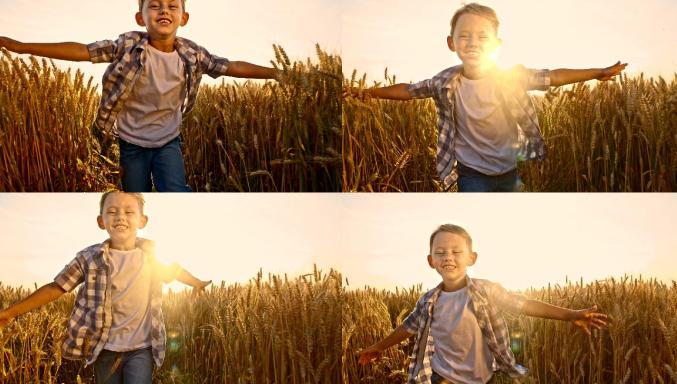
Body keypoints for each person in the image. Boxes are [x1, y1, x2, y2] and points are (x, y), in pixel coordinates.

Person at [0, 0, 279, 192]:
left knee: (176, 193)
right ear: (140, 17)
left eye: (172, 5)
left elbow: (230, 66)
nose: (163, 10)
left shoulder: (193, 54)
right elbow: (84, 51)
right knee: (135, 194)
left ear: (184, 17)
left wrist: (277, 73)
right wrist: (23, 47)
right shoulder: (128, 45)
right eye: (154, 5)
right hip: (130, 142)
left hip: (168, 140)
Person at [346, 3, 627, 192]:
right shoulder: (445, 82)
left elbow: (552, 76)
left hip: (508, 168)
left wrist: (596, 73)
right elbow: (408, 91)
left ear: (497, 45)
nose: (473, 42)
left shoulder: (510, 77)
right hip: (471, 173)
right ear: (451, 43)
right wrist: (365, 92)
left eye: (483, 36)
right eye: (464, 36)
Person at [0, 191, 212, 384]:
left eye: (129, 211)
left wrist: (197, 283)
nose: (120, 216)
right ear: (101, 221)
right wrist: (11, 312)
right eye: (112, 211)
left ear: (142, 221)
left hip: (142, 347)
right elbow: (57, 287)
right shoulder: (89, 258)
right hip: (104, 347)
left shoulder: (152, 254)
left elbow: (174, 271)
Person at [357, 224, 609, 384]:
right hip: (442, 376)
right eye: (441, 252)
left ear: (472, 258)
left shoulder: (486, 290)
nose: (448, 257)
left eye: (456, 251)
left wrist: (570, 315)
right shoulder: (427, 301)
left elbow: (524, 305)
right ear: (430, 260)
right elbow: (408, 327)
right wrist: (379, 346)